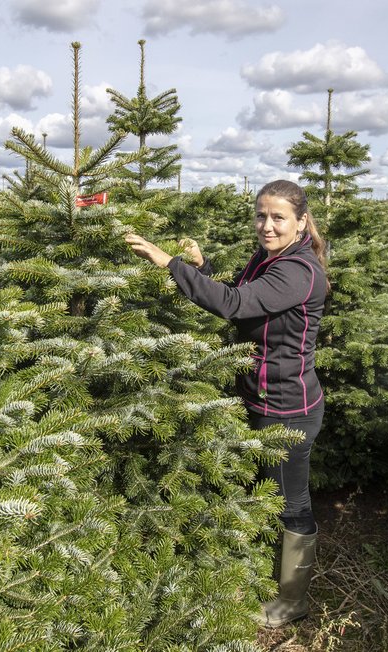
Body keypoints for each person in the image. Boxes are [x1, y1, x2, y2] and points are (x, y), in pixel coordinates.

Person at [124, 179, 328, 628]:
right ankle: (258, 569)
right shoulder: (268, 258)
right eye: (261, 215)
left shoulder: (299, 270)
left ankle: (293, 600)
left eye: (278, 217)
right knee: (265, 490)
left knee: (291, 500)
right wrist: (202, 266)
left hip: (288, 406)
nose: (267, 225)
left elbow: (235, 304)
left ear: (301, 222)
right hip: (259, 394)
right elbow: (240, 291)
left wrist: (168, 262)